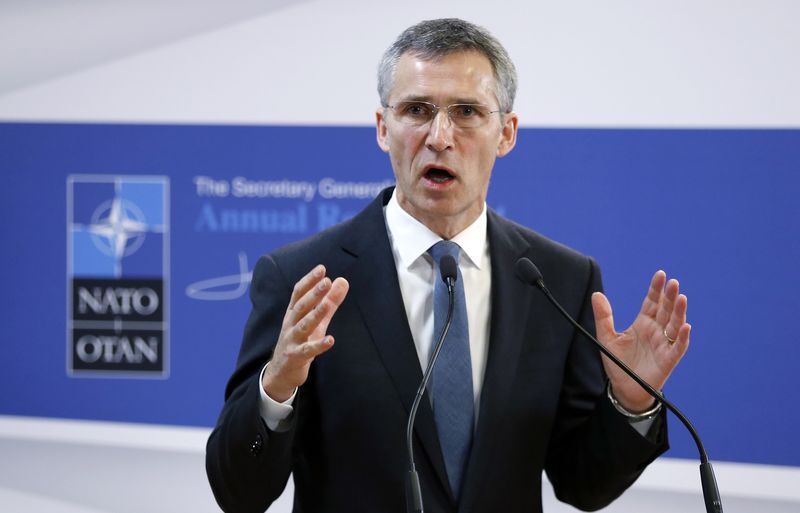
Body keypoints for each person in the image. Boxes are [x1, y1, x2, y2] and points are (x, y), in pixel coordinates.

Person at [206, 18, 690, 513]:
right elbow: (238, 492)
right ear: (382, 128)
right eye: (417, 110)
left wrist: (631, 402)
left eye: (466, 112)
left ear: (507, 133)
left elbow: (582, 485)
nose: (440, 136)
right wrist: (276, 388)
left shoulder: (559, 280)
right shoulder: (305, 279)